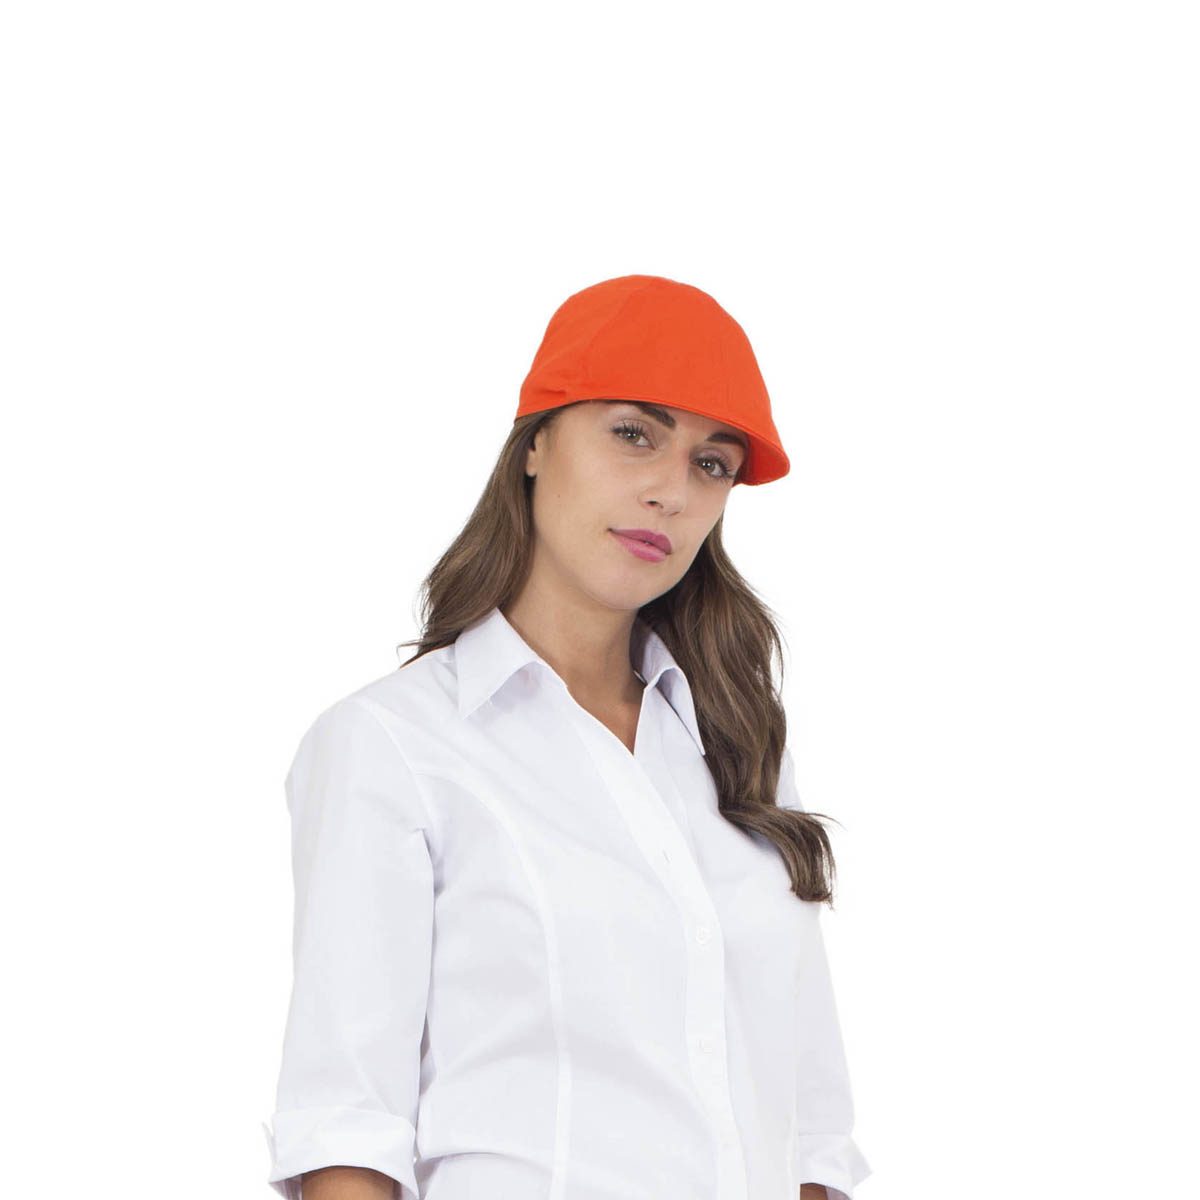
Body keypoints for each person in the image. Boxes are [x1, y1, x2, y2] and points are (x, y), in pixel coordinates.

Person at [261, 274, 873, 1200]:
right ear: (536, 443)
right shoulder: (394, 747)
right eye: (634, 434)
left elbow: (812, 1133)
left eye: (713, 463)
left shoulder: (741, 750)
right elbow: (347, 1131)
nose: (671, 491)